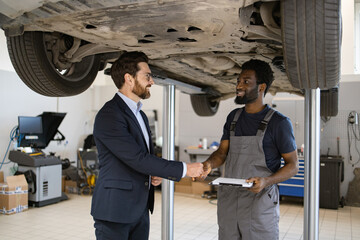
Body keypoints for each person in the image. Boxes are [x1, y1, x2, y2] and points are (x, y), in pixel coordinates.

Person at [91, 51, 203, 240]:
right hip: (115, 211)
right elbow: (137, 158)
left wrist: (152, 173)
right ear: (129, 79)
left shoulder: (140, 115)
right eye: (147, 76)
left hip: (139, 209)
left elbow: (139, 158)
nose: (152, 82)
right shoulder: (110, 114)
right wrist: (185, 169)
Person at [198, 59, 299, 240]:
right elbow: (222, 153)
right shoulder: (233, 118)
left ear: (261, 87)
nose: (239, 85)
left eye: (246, 81)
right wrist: (208, 164)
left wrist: (266, 181)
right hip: (229, 203)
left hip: (259, 204)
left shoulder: (279, 123)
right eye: (238, 80)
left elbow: (293, 165)